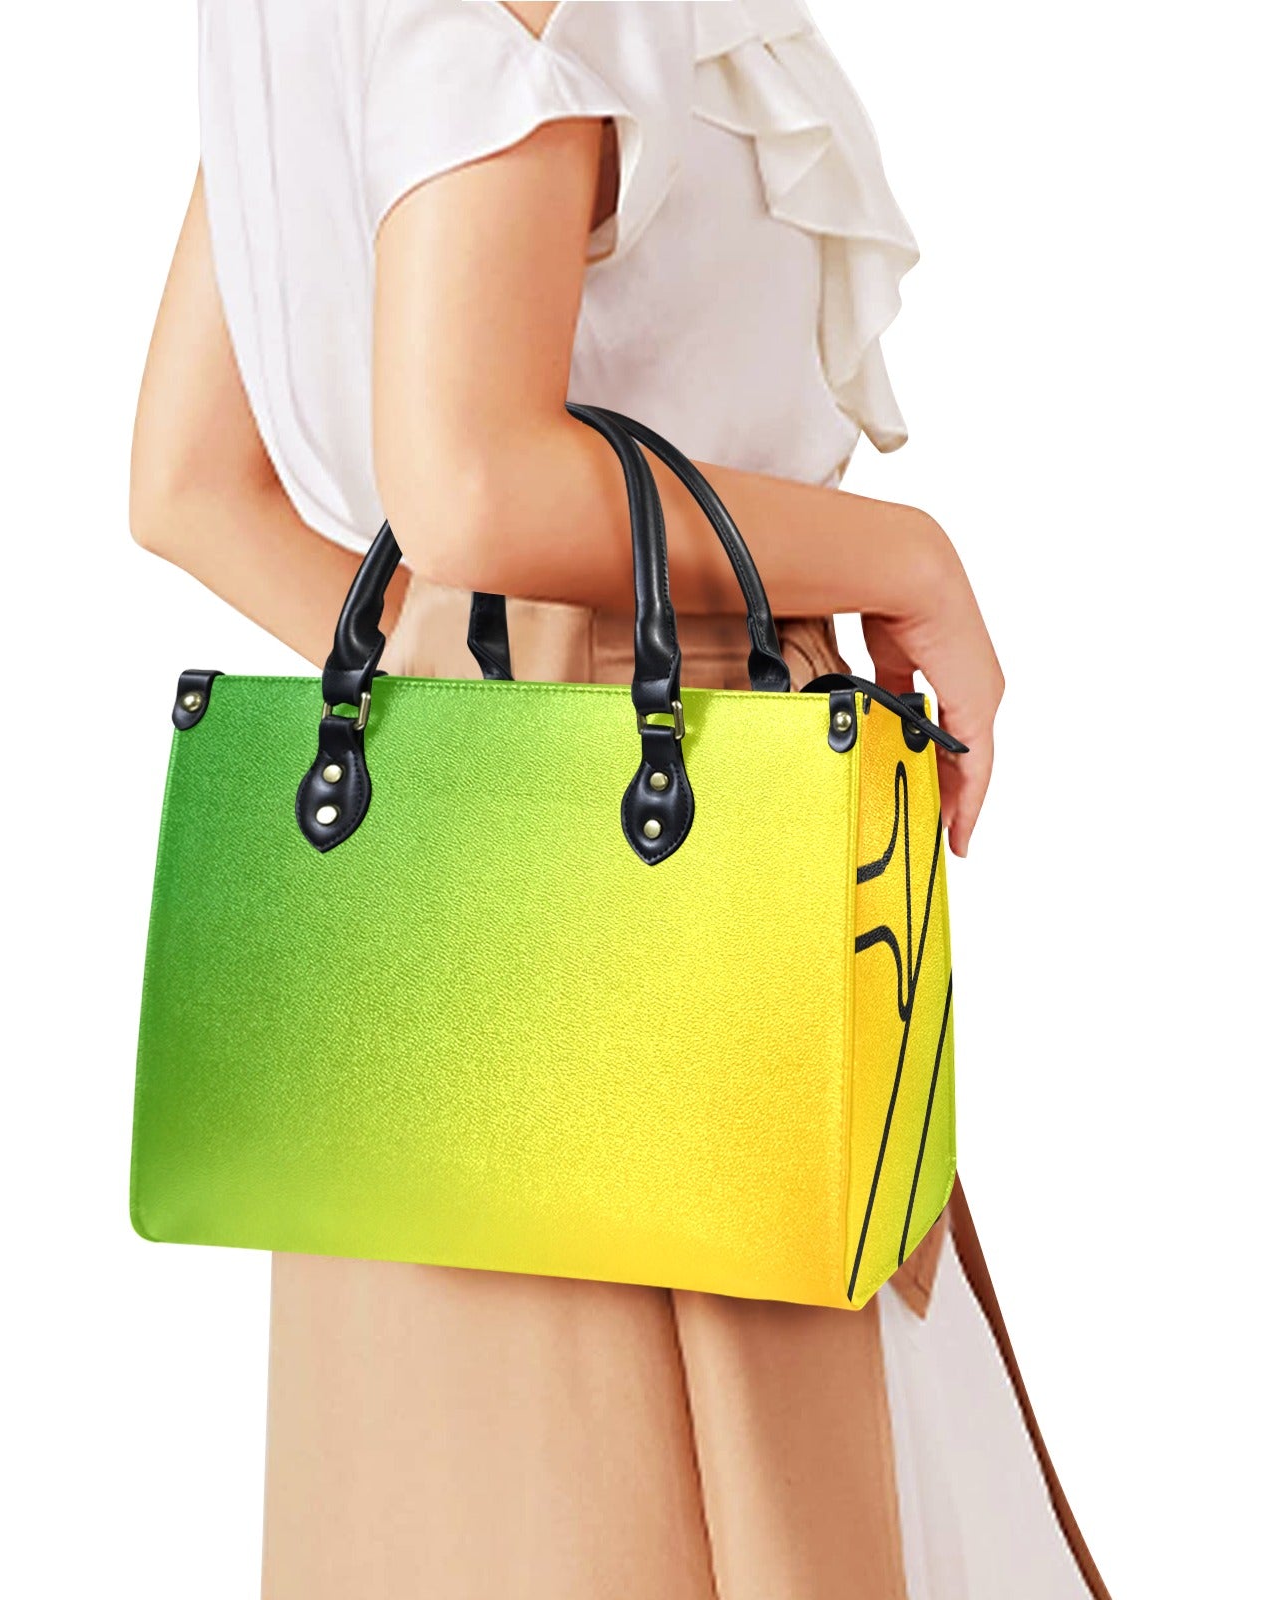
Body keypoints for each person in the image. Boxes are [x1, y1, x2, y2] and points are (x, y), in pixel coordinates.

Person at [130, 3, 1110, 1594]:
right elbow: (471, 483)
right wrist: (910, 560)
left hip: (451, 942)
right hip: (677, 890)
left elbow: (190, 485)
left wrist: (464, 733)